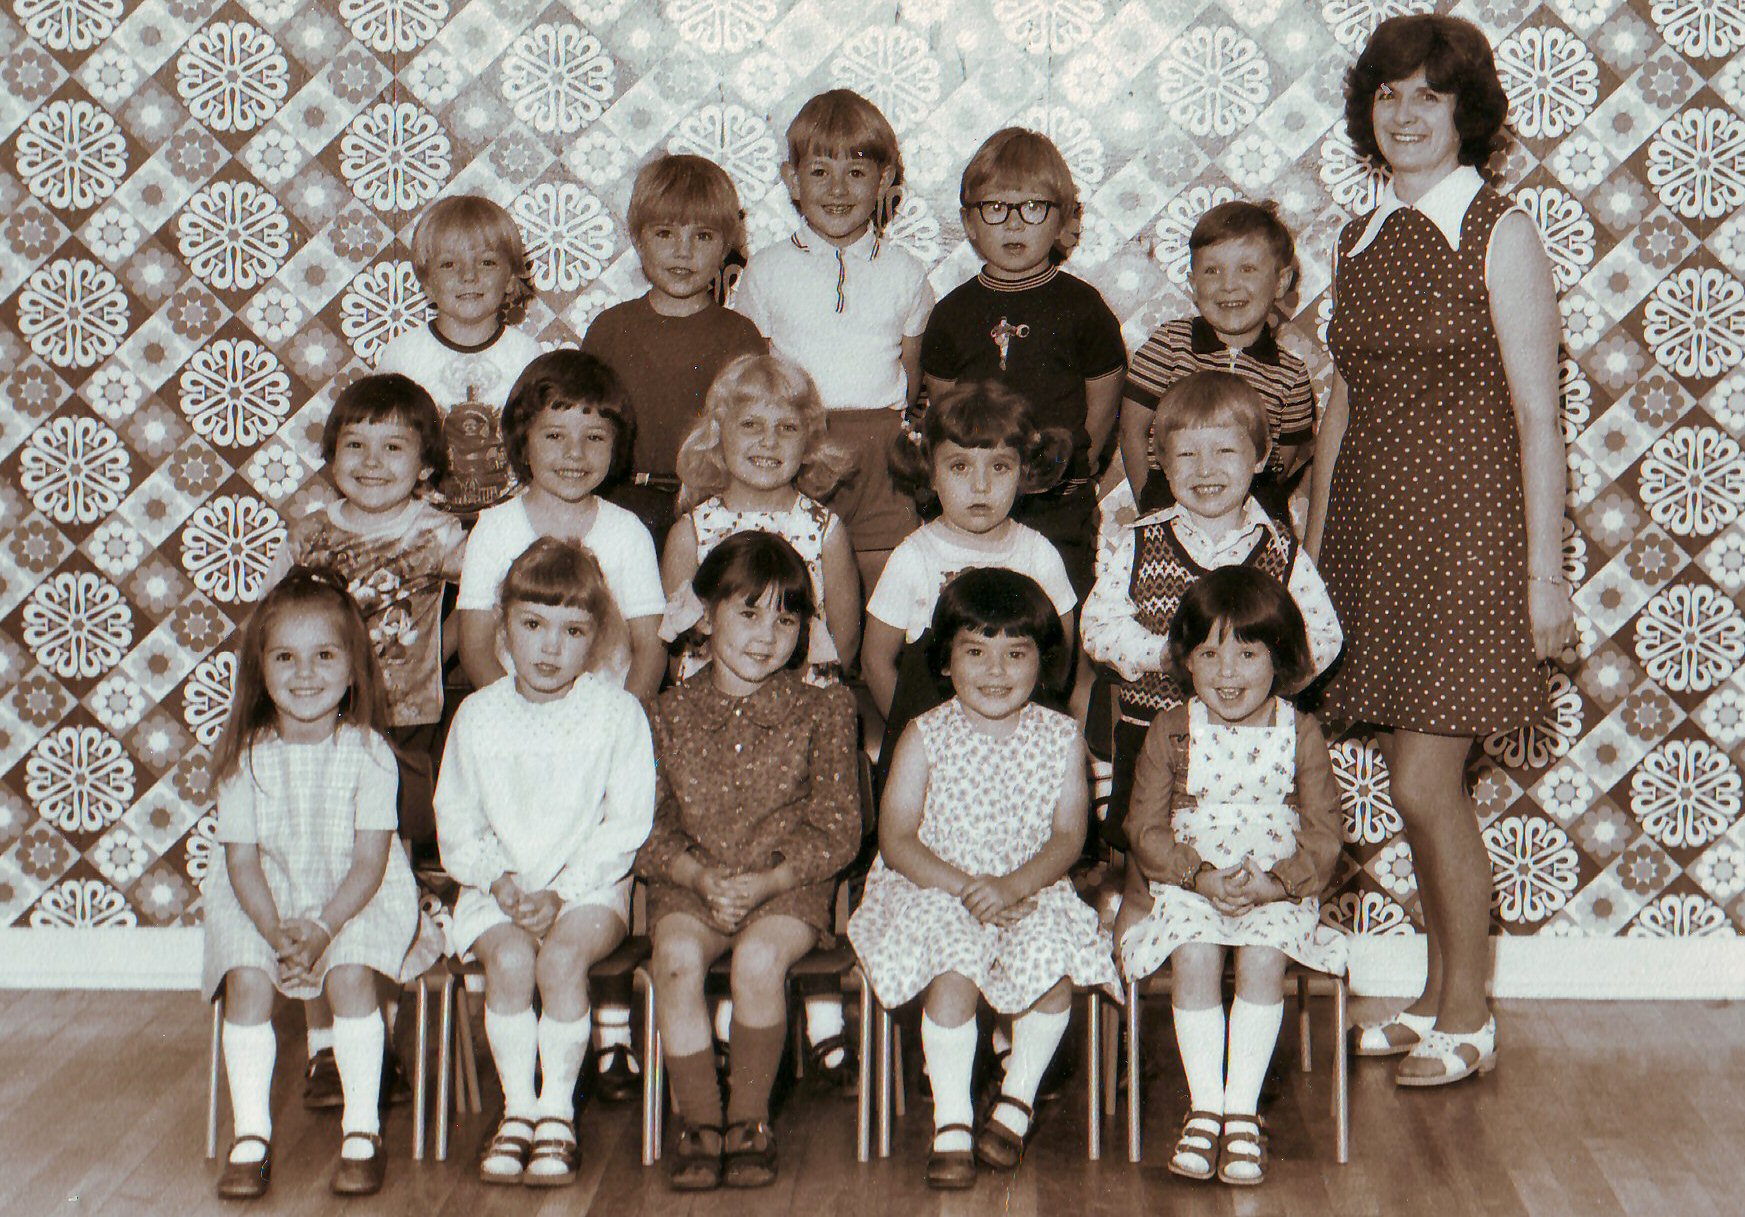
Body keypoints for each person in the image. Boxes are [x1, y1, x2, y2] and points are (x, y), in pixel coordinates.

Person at [1303, 13, 1575, 1085]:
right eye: (1387, 94)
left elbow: (1538, 417)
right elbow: (1340, 402)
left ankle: (1468, 1014)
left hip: (1468, 537)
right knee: (1409, 780)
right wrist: (1312, 558)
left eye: (1428, 94)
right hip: (1372, 535)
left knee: (1425, 783)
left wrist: (1543, 578)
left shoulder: (1498, 231)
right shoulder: (1357, 234)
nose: (1405, 114)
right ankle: (1430, 995)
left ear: (1466, 113)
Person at [849, 569, 1118, 1190]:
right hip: (934, 885)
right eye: (976, 652)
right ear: (945, 661)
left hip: (1028, 886)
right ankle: (952, 1122)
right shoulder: (925, 733)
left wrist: (1012, 887)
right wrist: (968, 888)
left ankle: (1015, 1104)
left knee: (1053, 971)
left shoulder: (1060, 738)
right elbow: (897, 838)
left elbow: (1068, 837)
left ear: (1042, 662)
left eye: (1016, 654)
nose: (996, 671)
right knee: (954, 971)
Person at [201, 569, 436, 1200]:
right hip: (263, 897)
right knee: (248, 979)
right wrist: (275, 929)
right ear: (261, 671)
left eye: (325, 656)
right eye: (285, 657)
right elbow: (242, 864)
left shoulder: (370, 754)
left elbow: (370, 863)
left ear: (354, 669)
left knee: (350, 975)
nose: (305, 674)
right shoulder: (245, 759)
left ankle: (362, 1132)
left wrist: (325, 927)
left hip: (352, 897)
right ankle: (251, 1138)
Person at [639, 532, 862, 1191]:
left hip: (787, 887)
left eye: (786, 620)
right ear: (706, 617)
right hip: (691, 884)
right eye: (748, 612)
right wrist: (696, 874)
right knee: (676, 959)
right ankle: (699, 1121)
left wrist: (768, 880)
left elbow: (839, 828)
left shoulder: (824, 709)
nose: (766, 635)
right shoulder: (662, 716)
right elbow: (645, 827)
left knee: (760, 961)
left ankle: (748, 1118)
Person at [265, 372, 463, 1112]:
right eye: (355, 445)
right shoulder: (309, 535)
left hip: (404, 729)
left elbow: (486, 612)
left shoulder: (442, 535)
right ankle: (327, 1045)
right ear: (330, 456)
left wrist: (438, 655)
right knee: (317, 879)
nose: (372, 463)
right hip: (320, 734)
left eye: (394, 447)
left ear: (427, 465)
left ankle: (378, 1039)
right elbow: (271, 630)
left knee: (384, 886)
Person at [434, 539, 656, 1186]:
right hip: (495, 888)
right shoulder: (478, 715)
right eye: (533, 624)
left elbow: (626, 825)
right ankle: (518, 1111)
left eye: (572, 631)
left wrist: (561, 891)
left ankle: (556, 1112)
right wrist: (499, 881)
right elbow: (457, 818)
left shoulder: (616, 714)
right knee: (510, 961)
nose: (550, 647)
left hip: (590, 891)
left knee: (559, 961)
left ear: (596, 640)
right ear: (503, 628)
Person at [1116, 567, 1347, 1186]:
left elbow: (1324, 835)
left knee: (1264, 955)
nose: (1227, 673)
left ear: (1281, 658)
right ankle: (1205, 1110)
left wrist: (1278, 882)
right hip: (1191, 882)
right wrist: (1198, 876)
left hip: (1276, 885)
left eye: (1247, 654)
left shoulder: (1300, 732)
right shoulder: (1172, 730)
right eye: (1209, 654)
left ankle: (1241, 1111)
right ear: (1185, 661)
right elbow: (1145, 828)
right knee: (1194, 951)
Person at [1083, 372, 1342, 848]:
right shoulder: (1140, 542)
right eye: (1186, 454)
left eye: (1224, 451)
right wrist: (1158, 654)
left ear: (1259, 457)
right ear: (1162, 462)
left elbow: (1323, 636)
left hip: (1253, 745)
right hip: (1152, 732)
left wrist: (1266, 682)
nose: (1205, 470)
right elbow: (1098, 625)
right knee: (1145, 850)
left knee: (1246, 849)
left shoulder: (1281, 551)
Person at [734, 88, 935, 589]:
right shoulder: (767, 270)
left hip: (882, 454)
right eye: (820, 172)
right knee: (797, 579)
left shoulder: (906, 272)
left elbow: (911, 371)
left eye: (857, 173)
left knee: (886, 586)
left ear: (883, 180)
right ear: (792, 180)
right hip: (798, 447)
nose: (838, 190)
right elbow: (755, 371)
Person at [921, 127, 1127, 596]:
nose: (1014, 224)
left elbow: (1102, 405)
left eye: (1034, 207)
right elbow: (945, 408)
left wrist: (1069, 466)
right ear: (969, 223)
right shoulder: (952, 314)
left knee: (1057, 602)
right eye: (995, 207)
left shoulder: (1084, 308)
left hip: (1057, 501)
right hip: (976, 497)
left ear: (1063, 220)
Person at [865, 380, 1076, 780]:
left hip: (1019, 748)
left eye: (999, 467)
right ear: (931, 472)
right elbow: (876, 661)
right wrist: (919, 735)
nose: (981, 486)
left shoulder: (1038, 555)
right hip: (935, 756)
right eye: (960, 466)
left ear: (1023, 472)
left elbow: (1059, 657)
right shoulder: (914, 557)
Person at [455, 351, 666, 699]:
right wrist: (515, 713)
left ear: (616, 444)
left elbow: (650, 649)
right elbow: (475, 648)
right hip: (515, 713)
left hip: (605, 717)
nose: (575, 453)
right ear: (524, 442)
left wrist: (623, 717)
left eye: (594, 437)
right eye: (555, 436)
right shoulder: (494, 529)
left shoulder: (628, 533)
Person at [584, 154, 768, 549]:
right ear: (638, 239)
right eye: (665, 234)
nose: (683, 252)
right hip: (618, 507)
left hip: (710, 510)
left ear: (726, 247)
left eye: (703, 237)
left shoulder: (740, 337)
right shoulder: (609, 329)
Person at [661, 353, 860, 685]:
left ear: (808, 443)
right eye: (750, 424)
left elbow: (845, 643)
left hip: (802, 701)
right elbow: (679, 646)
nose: (769, 441)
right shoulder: (690, 533)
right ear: (719, 433)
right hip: (713, 703)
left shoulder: (825, 532)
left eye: (787, 427)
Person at [1119, 200, 1316, 524]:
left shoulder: (1291, 375)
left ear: (1280, 282)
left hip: (1250, 512)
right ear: (1194, 285)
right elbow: (1132, 431)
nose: (1228, 285)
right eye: (1212, 270)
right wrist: (1153, 508)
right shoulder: (1169, 345)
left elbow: (1280, 463)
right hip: (1171, 503)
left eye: (1247, 269)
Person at [376, 195, 541, 518]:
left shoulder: (526, 355)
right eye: (449, 264)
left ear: (510, 280)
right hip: (420, 518)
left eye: (487, 262)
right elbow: (379, 438)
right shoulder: (403, 354)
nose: (469, 276)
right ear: (427, 284)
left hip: (508, 517)